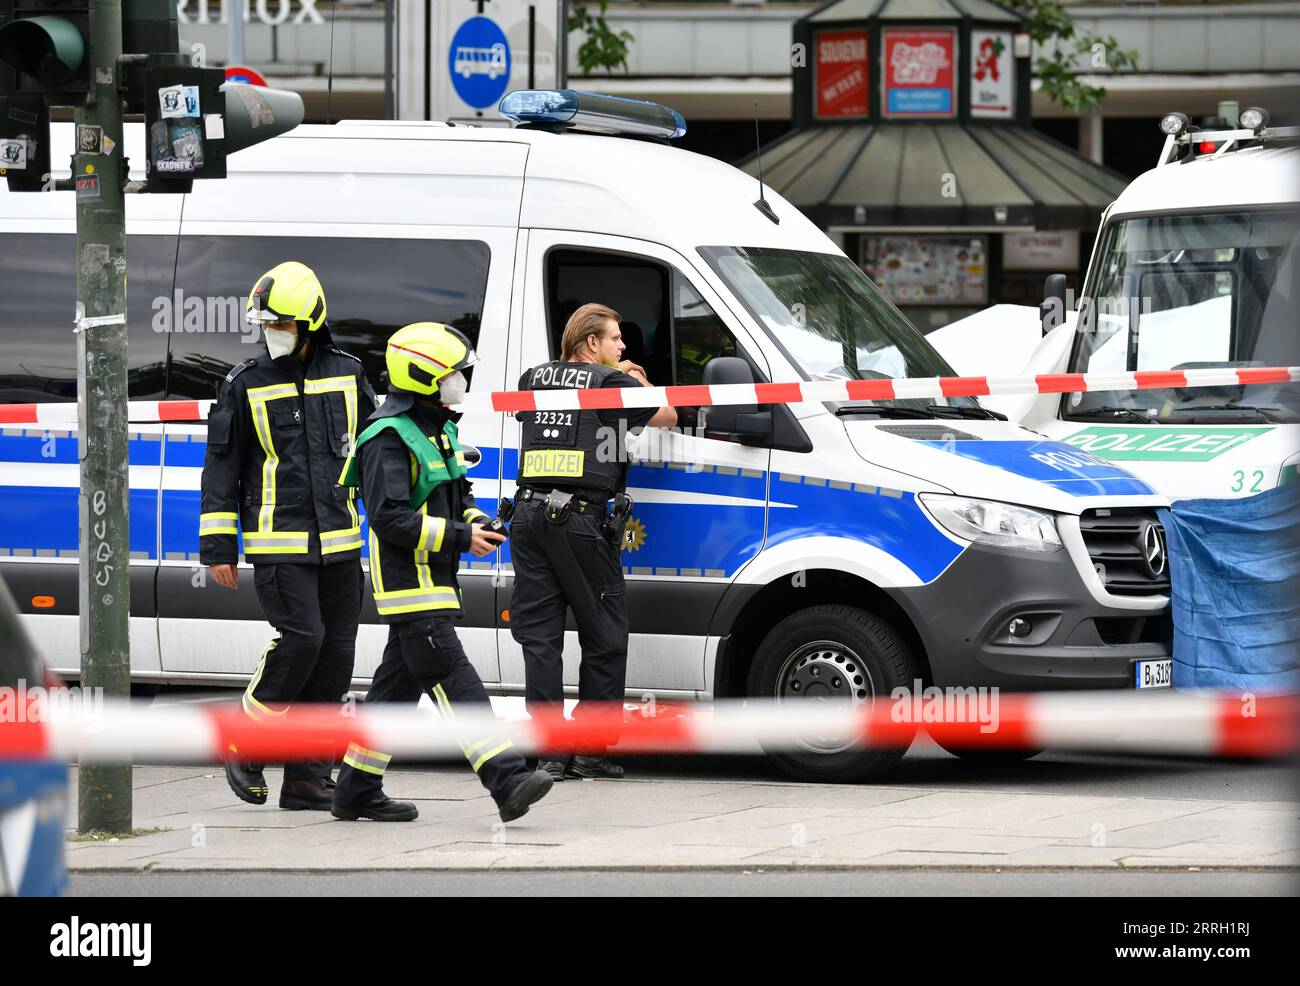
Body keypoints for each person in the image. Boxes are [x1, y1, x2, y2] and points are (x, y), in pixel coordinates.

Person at [331, 322, 554, 823]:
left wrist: (479, 524)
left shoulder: (439, 427)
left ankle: (354, 790)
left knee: (395, 691)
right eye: (453, 374)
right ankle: (507, 777)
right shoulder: (385, 438)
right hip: (409, 585)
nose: (461, 382)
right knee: (455, 677)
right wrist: (458, 536)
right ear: (422, 375)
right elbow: (388, 518)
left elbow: (459, 497)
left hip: (435, 579)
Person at [199, 261, 375, 810]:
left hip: (342, 542)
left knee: (333, 662)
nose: (271, 332)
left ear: (311, 323)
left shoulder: (349, 372)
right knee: (302, 641)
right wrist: (218, 547)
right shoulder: (245, 382)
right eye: (266, 324)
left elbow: (373, 452)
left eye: (283, 324)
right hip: (279, 543)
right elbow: (221, 468)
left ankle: (306, 778)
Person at [508, 303, 676, 781]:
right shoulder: (611, 384)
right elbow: (669, 414)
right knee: (604, 634)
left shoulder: (531, 377)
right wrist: (633, 377)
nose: (623, 347)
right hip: (579, 522)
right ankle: (589, 750)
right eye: (616, 339)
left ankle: (547, 754)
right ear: (591, 344)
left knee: (540, 641)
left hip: (527, 517)